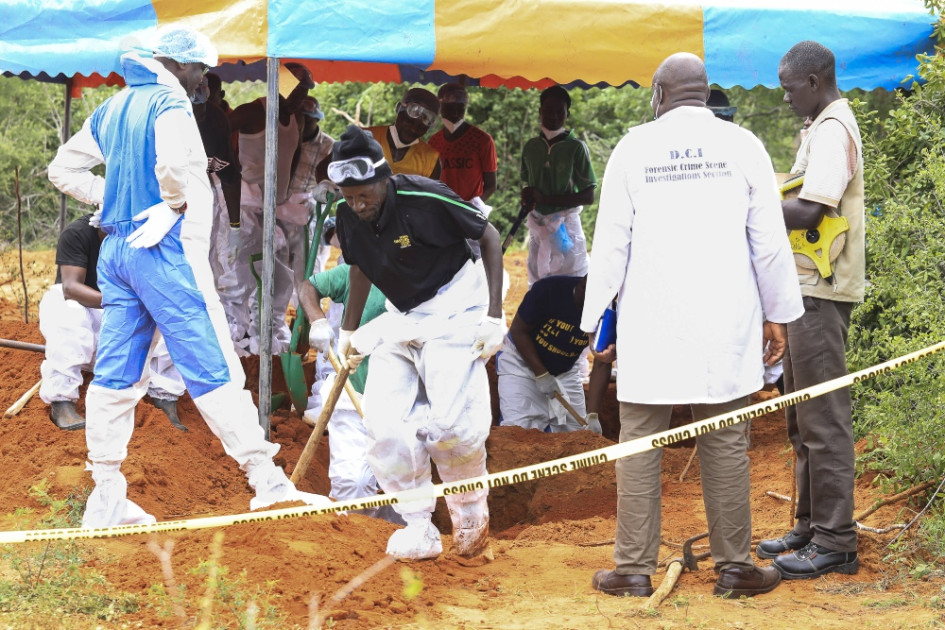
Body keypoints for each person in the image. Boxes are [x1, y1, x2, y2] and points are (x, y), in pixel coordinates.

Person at [47, 26, 332, 528]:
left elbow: (62, 169)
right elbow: (176, 166)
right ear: (178, 64)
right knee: (215, 363)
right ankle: (266, 481)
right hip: (165, 250)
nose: (203, 78)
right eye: (199, 68)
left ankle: (107, 492)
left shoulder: (112, 107)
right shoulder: (169, 104)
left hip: (119, 250)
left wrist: (113, 200)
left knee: (117, 372)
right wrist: (170, 204)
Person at [582, 53, 803, 598]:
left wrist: (593, 323)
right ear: (705, 95)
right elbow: (769, 244)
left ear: (658, 95)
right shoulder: (744, 145)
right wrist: (778, 316)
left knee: (638, 440)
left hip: (650, 328)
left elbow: (610, 243)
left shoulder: (633, 149)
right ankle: (735, 568)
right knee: (725, 439)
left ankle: (633, 569)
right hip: (723, 327)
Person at [328, 125, 505, 560]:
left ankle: (468, 514)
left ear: (383, 177)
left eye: (363, 193)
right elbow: (359, 266)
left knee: (449, 426)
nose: (356, 203)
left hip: (456, 307)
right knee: (383, 426)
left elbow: (490, 237)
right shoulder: (349, 214)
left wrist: (495, 317)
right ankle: (418, 525)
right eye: (347, 196)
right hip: (401, 315)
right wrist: (348, 331)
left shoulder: (424, 196)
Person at [757, 41, 865, 579]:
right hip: (804, 291)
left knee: (824, 420)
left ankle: (837, 541)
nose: (785, 96)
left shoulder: (833, 129)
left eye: (789, 86)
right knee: (801, 420)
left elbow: (809, 209)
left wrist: (751, 209)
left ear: (816, 81)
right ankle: (808, 526)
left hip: (820, 293)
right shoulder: (818, 127)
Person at [38, 212, 187, 432]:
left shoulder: (146, 237)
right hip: (88, 318)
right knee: (62, 302)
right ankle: (62, 402)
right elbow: (70, 288)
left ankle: (164, 396)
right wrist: (120, 302)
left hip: (125, 327)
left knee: (174, 315)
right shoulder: (78, 233)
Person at [298, 262, 403, 524]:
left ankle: (396, 540)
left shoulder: (428, 273)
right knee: (353, 485)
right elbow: (308, 287)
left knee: (405, 493)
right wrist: (318, 320)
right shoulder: (357, 269)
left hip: (404, 405)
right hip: (352, 394)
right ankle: (353, 543)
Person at [226, 62, 313, 355]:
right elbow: (218, 137)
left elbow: (295, 152)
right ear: (281, 84)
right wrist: (229, 171)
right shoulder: (253, 111)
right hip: (245, 206)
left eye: (304, 91)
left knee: (278, 277)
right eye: (297, 89)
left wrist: (286, 193)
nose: (301, 97)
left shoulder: (297, 118)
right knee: (239, 277)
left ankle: (269, 339)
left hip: (275, 208)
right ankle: (234, 343)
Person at [497, 274, 608, 434]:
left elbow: (602, 361)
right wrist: (542, 374)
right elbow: (518, 331)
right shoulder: (549, 290)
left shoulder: (607, 312)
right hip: (521, 363)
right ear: (583, 286)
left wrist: (593, 415)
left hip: (565, 369)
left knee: (577, 435)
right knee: (518, 431)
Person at [520, 85, 597, 286]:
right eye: (548, 111)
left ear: (567, 114)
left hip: (566, 229)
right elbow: (529, 184)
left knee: (571, 281)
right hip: (538, 226)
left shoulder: (576, 148)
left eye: (559, 112)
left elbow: (588, 196)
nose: (553, 116)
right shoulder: (531, 147)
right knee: (538, 282)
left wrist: (545, 199)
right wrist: (528, 196)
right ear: (540, 112)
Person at [191, 75, 243, 326]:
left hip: (202, 195)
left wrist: (235, 227)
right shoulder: (161, 114)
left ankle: (206, 326)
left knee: (206, 266)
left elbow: (230, 174)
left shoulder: (216, 119)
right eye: (193, 107)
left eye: (202, 105)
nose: (198, 112)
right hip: (161, 199)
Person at [288, 96, 335, 283]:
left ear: (316, 119)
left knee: (307, 260)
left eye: (308, 119)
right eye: (299, 118)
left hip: (311, 207)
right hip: (282, 204)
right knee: (277, 259)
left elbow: (332, 184)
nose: (302, 123)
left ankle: (306, 308)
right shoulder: (284, 138)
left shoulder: (330, 146)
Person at [428, 83, 497, 207]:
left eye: (460, 108)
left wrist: (474, 207)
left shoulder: (482, 140)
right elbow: (431, 182)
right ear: (440, 108)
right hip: (442, 209)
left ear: (465, 108)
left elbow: (491, 185)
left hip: (471, 211)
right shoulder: (434, 142)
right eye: (449, 108)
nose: (454, 113)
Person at [368, 87, 442, 179]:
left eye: (421, 126)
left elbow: (432, 192)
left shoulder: (430, 160)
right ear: (399, 108)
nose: (413, 129)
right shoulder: (365, 139)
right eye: (410, 121)